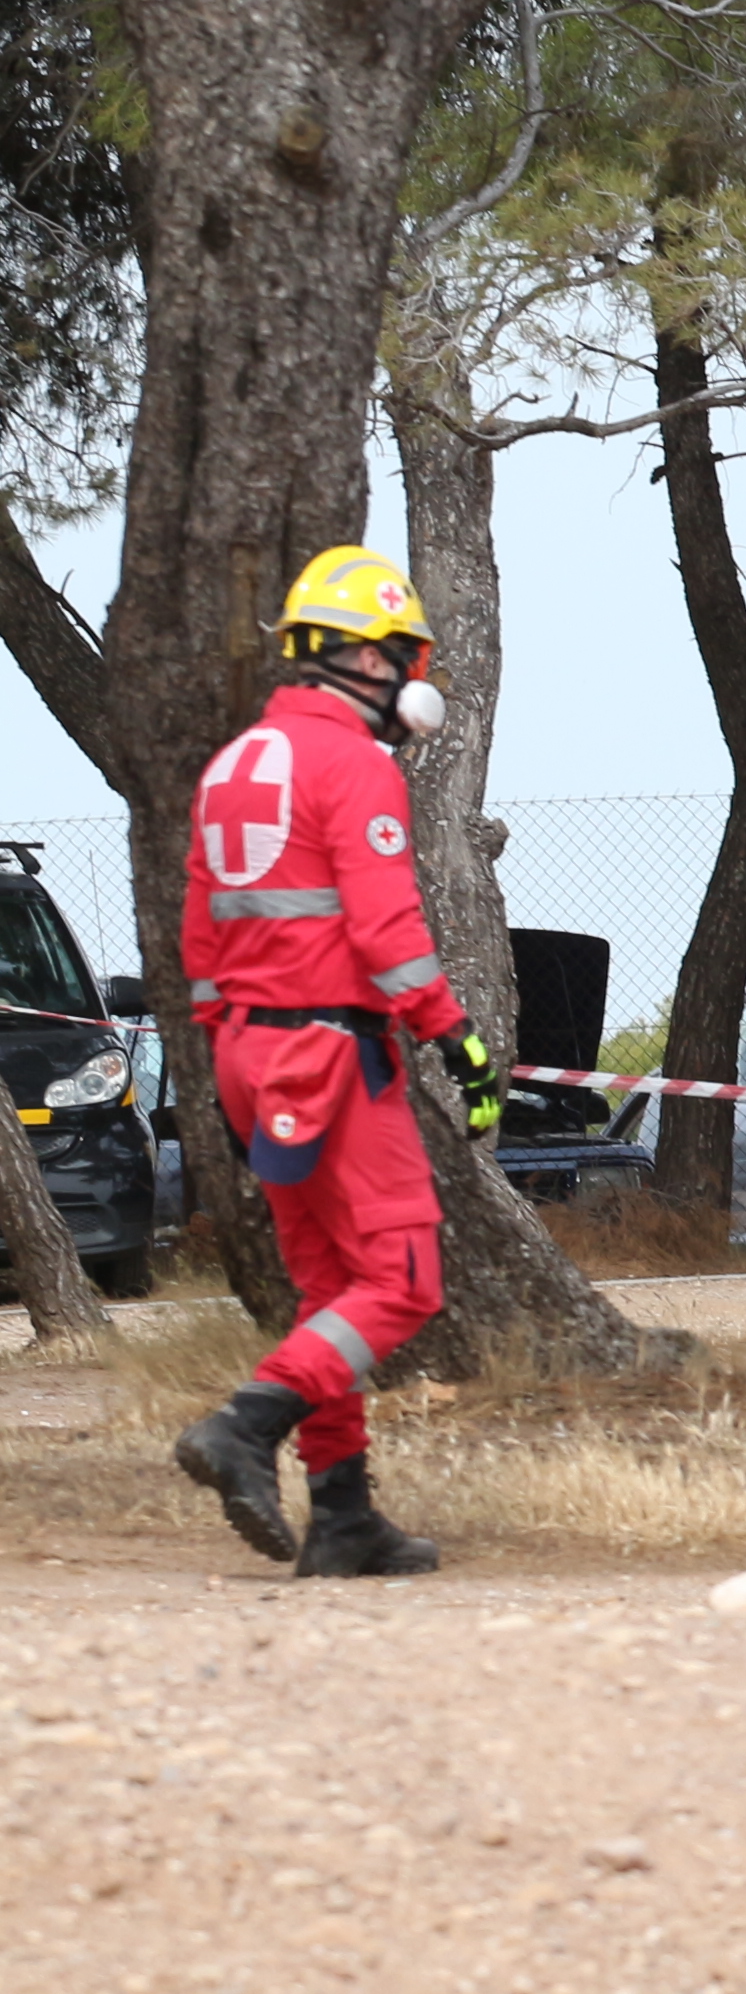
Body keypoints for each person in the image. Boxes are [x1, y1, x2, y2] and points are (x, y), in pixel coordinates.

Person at [169, 546, 506, 1578]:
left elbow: (199, 933)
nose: (410, 679)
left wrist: (232, 1057)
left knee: (328, 1289)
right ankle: (245, 1426)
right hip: (333, 1051)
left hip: (248, 1050)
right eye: (398, 656)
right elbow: (388, 927)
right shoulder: (350, 764)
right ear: (347, 655)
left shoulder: (234, 765)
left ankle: (344, 1513)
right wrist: (455, 1034)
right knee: (401, 1280)